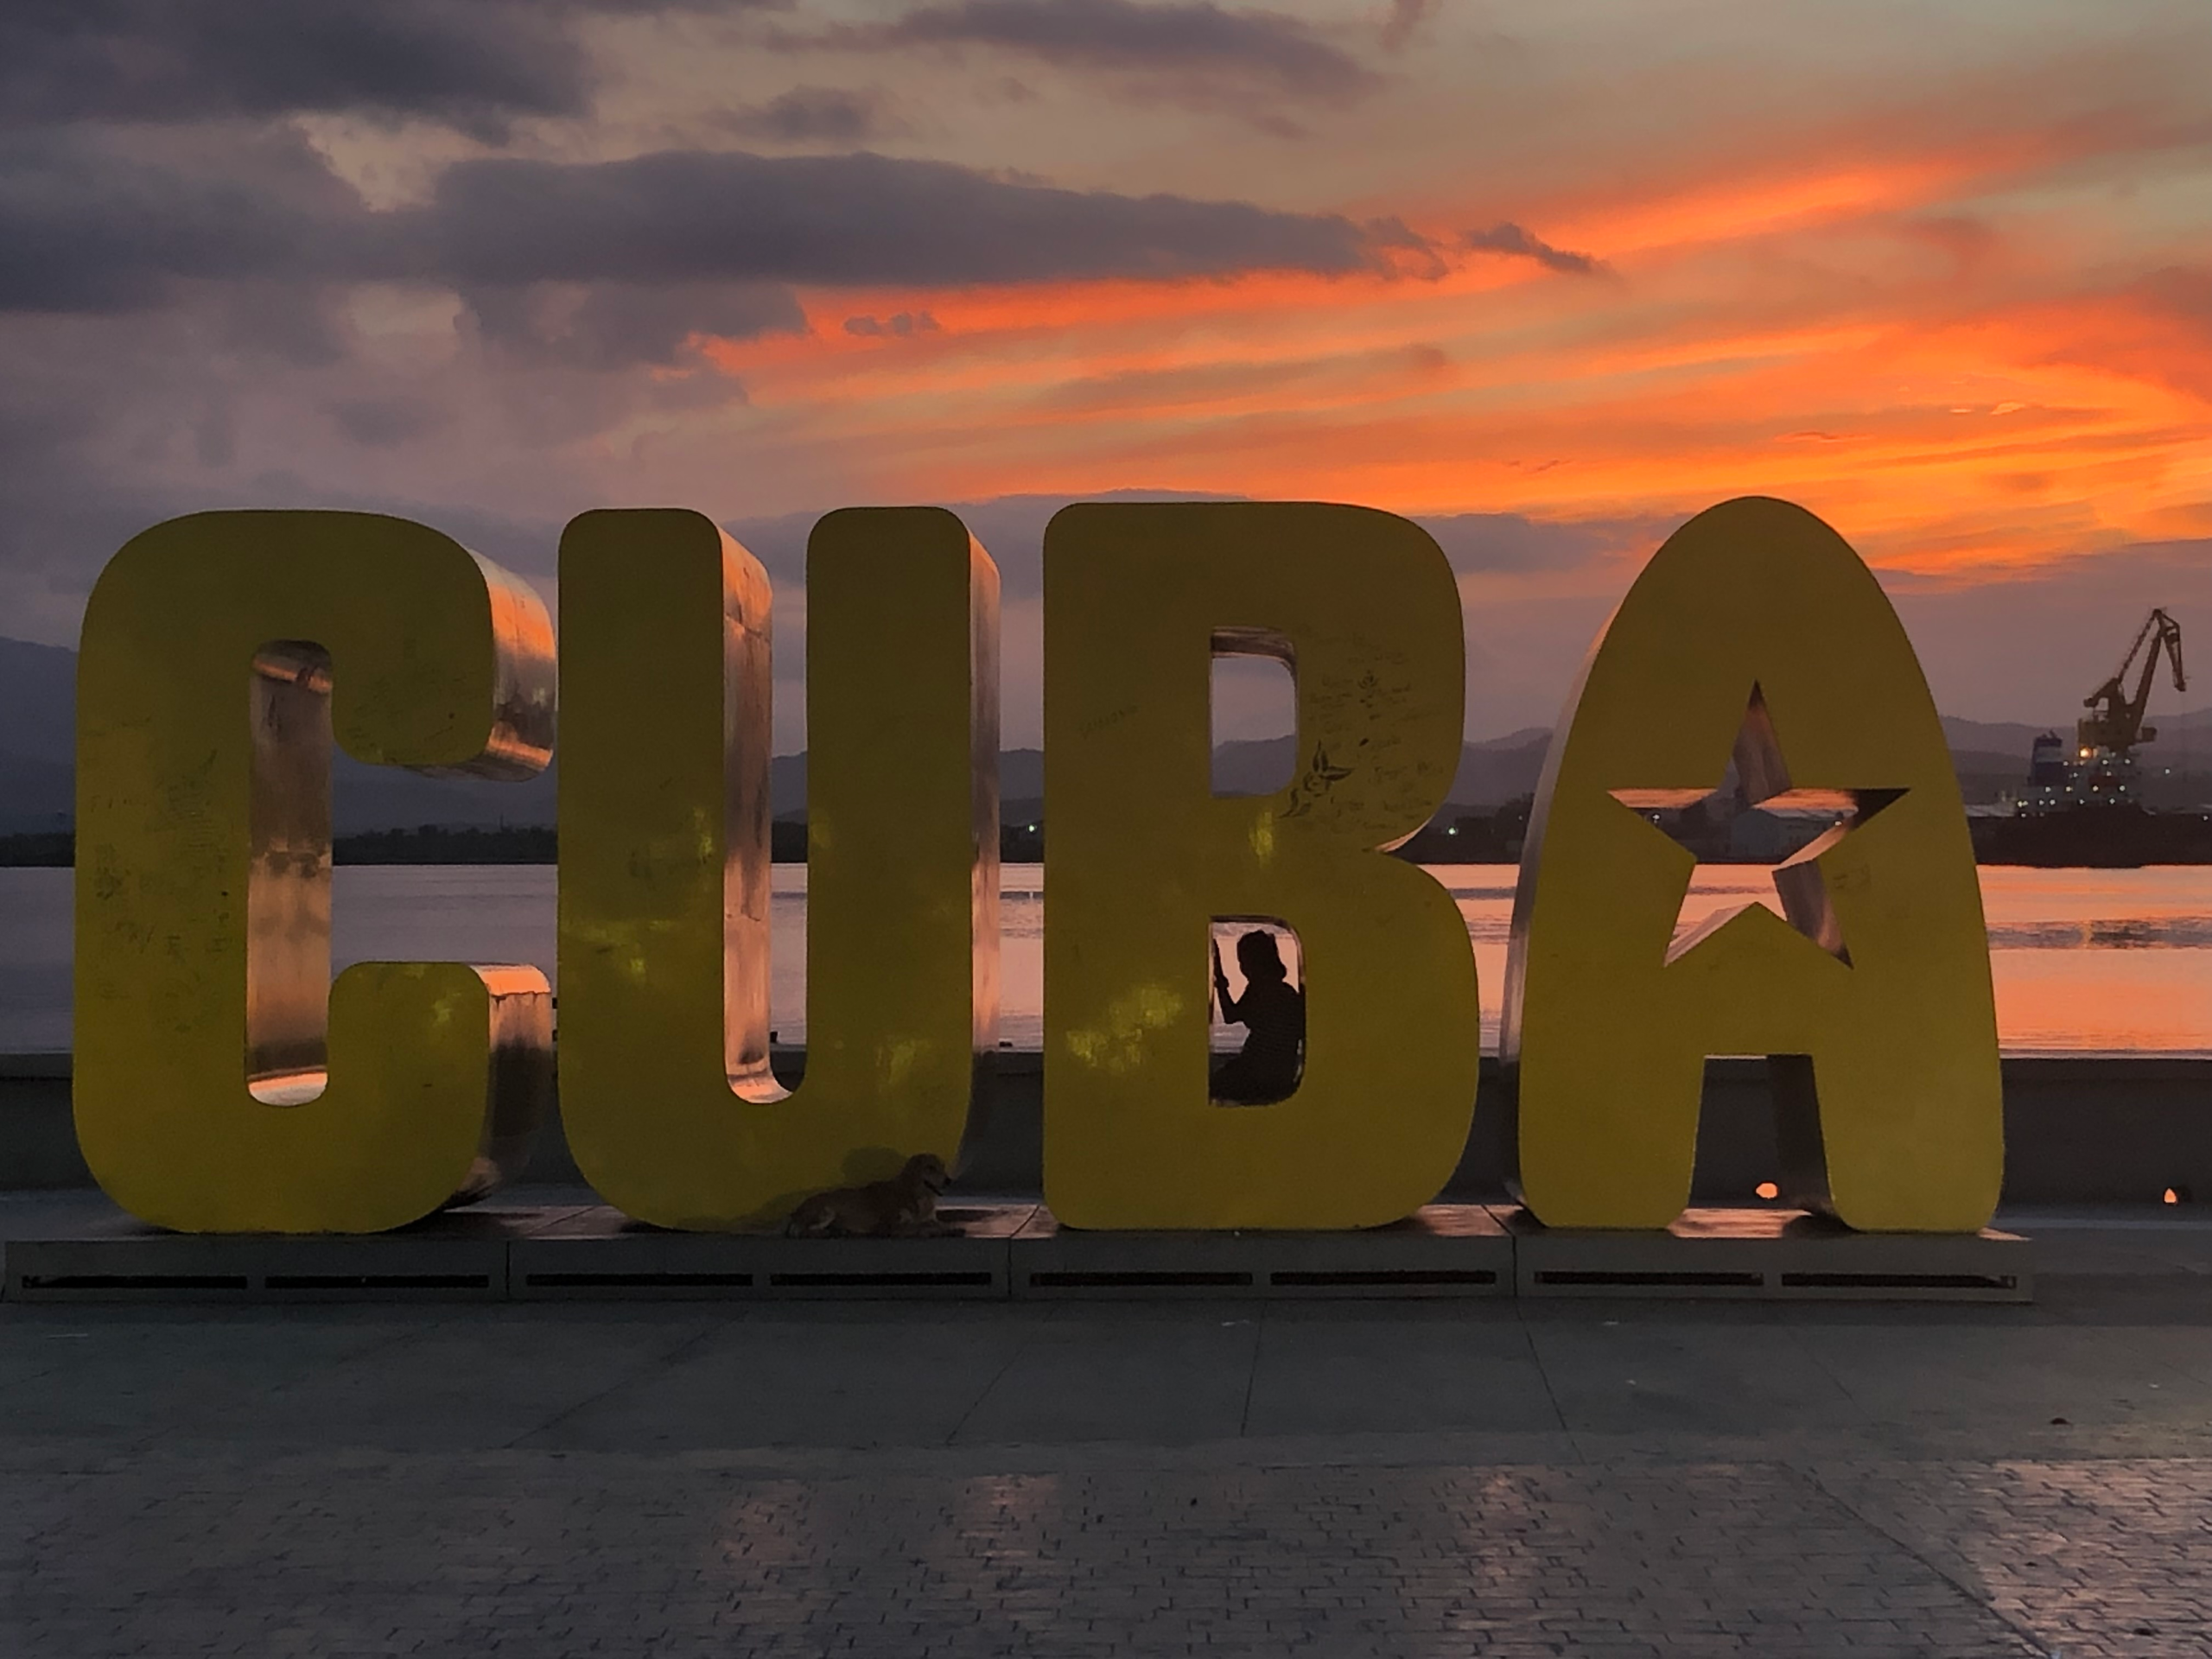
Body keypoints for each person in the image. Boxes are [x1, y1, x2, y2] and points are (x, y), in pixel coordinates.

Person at [1210, 930, 1305, 1104]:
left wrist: (1220, 978)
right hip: (1282, 1071)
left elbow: (1231, 1015)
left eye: (1244, 962)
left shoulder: (1261, 991)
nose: (1242, 968)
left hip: (1258, 1070)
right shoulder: (1286, 992)